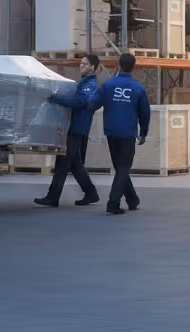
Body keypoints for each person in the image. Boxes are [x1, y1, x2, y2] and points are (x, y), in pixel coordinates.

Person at [35, 54, 101, 208]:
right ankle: (91, 193)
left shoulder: (90, 85)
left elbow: (79, 101)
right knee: (74, 163)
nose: (81, 66)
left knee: (64, 161)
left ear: (93, 67)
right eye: (81, 63)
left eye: (85, 64)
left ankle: (53, 197)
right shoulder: (84, 83)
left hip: (78, 127)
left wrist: (57, 98)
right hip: (75, 126)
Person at [99, 53, 151, 215]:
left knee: (120, 168)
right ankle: (113, 202)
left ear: (119, 65)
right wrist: (143, 132)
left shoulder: (108, 85)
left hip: (111, 131)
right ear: (133, 67)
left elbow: (93, 102)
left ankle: (132, 199)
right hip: (127, 132)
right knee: (123, 168)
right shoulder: (137, 88)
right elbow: (145, 112)